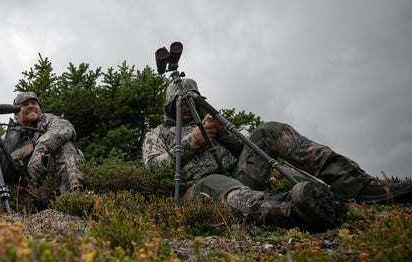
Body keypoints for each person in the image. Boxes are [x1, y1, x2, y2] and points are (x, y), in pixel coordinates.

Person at [142, 78, 412, 229]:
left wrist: (224, 133)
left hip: (240, 179)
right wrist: (194, 140)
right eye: (182, 104)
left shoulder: (211, 123)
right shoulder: (157, 134)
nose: (189, 109)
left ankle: (354, 184)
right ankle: (294, 209)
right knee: (216, 181)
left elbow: (246, 152)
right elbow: (155, 169)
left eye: (193, 103)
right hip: (200, 191)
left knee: (268, 131)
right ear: (170, 106)